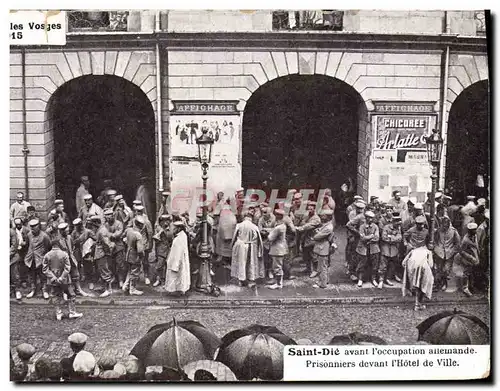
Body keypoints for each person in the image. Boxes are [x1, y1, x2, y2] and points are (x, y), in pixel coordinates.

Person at [42, 240, 83, 320]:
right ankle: (72, 312)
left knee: (55, 295)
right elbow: (67, 268)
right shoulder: (64, 254)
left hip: (53, 280)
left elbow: (45, 269)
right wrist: (61, 278)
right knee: (71, 294)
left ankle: (58, 313)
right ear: (59, 244)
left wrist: (53, 278)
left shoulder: (47, 255)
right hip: (65, 280)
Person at [231, 213, 264, 288]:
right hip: (251, 246)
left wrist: (232, 246)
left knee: (241, 263)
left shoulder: (239, 225)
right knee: (250, 263)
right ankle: (251, 280)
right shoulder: (254, 226)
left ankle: (241, 280)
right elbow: (259, 239)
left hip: (240, 246)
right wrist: (260, 251)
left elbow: (234, 237)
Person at [57, 222, 90, 297]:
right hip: (62, 261)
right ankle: (64, 292)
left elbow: (72, 247)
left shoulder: (69, 237)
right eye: (66, 231)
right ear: (62, 231)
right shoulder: (58, 240)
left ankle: (78, 290)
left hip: (71, 258)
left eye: (68, 230)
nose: (67, 232)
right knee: (64, 277)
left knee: (76, 275)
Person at [24, 219, 51, 299]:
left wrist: (44, 257)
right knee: (32, 276)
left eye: (34, 227)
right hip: (31, 258)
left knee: (42, 275)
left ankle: (44, 290)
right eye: (31, 227)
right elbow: (27, 245)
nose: (32, 229)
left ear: (38, 226)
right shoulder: (29, 235)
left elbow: (48, 246)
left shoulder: (44, 236)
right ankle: (33, 290)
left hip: (40, 259)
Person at [402, 245, 434, 311]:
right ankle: (418, 304)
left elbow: (403, 263)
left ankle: (418, 304)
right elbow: (431, 265)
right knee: (423, 285)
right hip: (423, 268)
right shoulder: (428, 252)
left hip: (412, 267)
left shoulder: (413, 251)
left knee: (417, 285)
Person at [433, 215, 461, 291]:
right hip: (439, 252)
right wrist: (436, 248)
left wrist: (453, 251)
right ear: (441, 224)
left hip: (449, 253)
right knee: (439, 269)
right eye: (443, 226)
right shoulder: (438, 231)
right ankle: (439, 284)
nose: (445, 228)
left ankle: (444, 283)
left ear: (449, 225)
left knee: (446, 269)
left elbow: (458, 243)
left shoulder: (454, 231)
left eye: (446, 226)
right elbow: (434, 240)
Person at [296, 201, 321, 278]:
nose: (309, 211)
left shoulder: (316, 219)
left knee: (313, 255)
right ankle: (308, 268)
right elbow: (302, 222)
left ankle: (315, 270)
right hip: (305, 238)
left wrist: (299, 228)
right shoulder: (307, 215)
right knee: (306, 254)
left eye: (311, 209)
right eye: (308, 209)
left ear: (314, 209)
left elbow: (307, 226)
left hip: (312, 239)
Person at [94, 210, 116, 298]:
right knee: (102, 270)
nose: (92, 226)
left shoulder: (102, 231)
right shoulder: (101, 229)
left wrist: (107, 253)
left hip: (101, 254)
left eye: (93, 223)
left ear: (96, 223)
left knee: (104, 271)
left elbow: (106, 243)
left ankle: (108, 289)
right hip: (101, 253)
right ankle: (104, 287)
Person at [355, 211, 380, 287]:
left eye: (372, 218)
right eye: (369, 218)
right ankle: (360, 279)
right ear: (366, 218)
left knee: (374, 264)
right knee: (362, 264)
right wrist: (371, 236)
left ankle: (373, 279)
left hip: (373, 248)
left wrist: (369, 238)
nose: (370, 220)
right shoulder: (362, 227)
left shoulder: (375, 226)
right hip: (363, 248)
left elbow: (377, 237)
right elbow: (362, 238)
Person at [454, 222, 480, 297]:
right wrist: (470, 258)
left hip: (474, 257)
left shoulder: (474, 236)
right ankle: (465, 288)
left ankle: (471, 287)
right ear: (469, 231)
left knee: (471, 273)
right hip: (467, 258)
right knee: (466, 273)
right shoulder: (465, 240)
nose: (475, 231)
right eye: (473, 230)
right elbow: (461, 251)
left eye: (475, 229)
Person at [165, 221, 191, 296]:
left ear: (178, 228)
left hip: (176, 261)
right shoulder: (183, 236)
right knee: (181, 277)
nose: (172, 230)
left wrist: (175, 265)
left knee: (175, 277)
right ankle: (180, 290)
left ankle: (176, 291)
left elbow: (178, 253)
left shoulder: (179, 239)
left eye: (174, 228)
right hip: (180, 260)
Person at [102, 208, 126, 288]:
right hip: (109, 247)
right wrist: (110, 235)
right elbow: (103, 234)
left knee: (120, 264)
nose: (108, 218)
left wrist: (110, 235)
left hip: (118, 246)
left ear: (113, 216)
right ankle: (114, 278)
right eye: (107, 217)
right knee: (111, 265)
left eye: (110, 216)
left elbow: (119, 233)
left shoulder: (118, 223)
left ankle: (121, 280)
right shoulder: (105, 225)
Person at [311, 209, 335, 289]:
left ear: (328, 217)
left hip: (323, 248)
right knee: (323, 266)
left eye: (323, 216)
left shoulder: (328, 227)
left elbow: (316, 237)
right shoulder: (326, 225)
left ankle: (322, 284)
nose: (321, 217)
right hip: (322, 247)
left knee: (322, 267)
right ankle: (325, 280)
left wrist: (316, 233)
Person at [122, 216, 146, 296]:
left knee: (129, 271)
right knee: (134, 272)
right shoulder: (138, 235)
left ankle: (125, 286)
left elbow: (123, 238)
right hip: (135, 256)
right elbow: (140, 250)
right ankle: (132, 289)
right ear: (140, 225)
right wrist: (142, 257)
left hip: (128, 254)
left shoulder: (129, 230)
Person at [378, 215, 402, 289]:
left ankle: (388, 278)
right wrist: (393, 239)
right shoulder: (386, 227)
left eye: (399, 221)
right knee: (383, 265)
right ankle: (381, 280)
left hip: (394, 250)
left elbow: (399, 238)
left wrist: (390, 237)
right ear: (393, 221)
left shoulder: (398, 228)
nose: (398, 223)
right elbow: (384, 238)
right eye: (397, 221)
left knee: (392, 266)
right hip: (385, 249)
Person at [267, 209, 288, 290]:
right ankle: (278, 282)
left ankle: (278, 284)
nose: (275, 216)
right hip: (281, 247)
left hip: (277, 249)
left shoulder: (278, 228)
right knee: (278, 266)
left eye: (276, 215)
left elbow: (270, 238)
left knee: (277, 267)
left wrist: (269, 232)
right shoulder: (283, 225)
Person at [345, 201, 366, 281]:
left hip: (364, 238)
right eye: (358, 208)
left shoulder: (365, 216)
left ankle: (359, 273)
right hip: (356, 238)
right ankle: (352, 272)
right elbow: (348, 225)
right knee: (354, 255)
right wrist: (356, 232)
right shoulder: (358, 216)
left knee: (362, 256)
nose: (360, 210)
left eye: (361, 209)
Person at [134, 205, 154, 285]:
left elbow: (150, 233)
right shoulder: (134, 220)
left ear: (142, 212)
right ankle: (137, 276)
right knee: (136, 261)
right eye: (136, 211)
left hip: (144, 244)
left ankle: (146, 276)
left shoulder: (146, 221)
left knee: (145, 261)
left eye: (139, 212)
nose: (137, 213)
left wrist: (150, 245)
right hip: (135, 244)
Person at [215, 201, 237, 269]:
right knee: (222, 247)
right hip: (223, 233)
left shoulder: (229, 215)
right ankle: (223, 258)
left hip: (228, 234)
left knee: (228, 248)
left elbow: (233, 223)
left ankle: (227, 261)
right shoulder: (225, 213)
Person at [153, 214, 173, 287]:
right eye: (164, 221)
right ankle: (159, 279)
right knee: (159, 266)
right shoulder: (158, 228)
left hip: (168, 249)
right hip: (160, 250)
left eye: (167, 220)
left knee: (167, 266)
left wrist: (167, 230)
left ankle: (165, 281)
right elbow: (156, 239)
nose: (165, 222)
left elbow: (171, 239)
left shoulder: (171, 229)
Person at [258, 206, 276, 282]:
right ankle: (265, 270)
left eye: (265, 213)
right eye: (263, 213)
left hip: (272, 241)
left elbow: (275, 229)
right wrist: (267, 231)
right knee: (265, 257)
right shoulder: (261, 219)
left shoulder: (274, 218)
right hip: (264, 241)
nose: (264, 214)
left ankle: (271, 271)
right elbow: (260, 230)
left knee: (272, 257)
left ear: (270, 213)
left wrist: (266, 230)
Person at [476, 209, 490, 292]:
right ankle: (481, 285)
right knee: (482, 267)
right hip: (483, 251)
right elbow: (477, 241)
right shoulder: (481, 228)